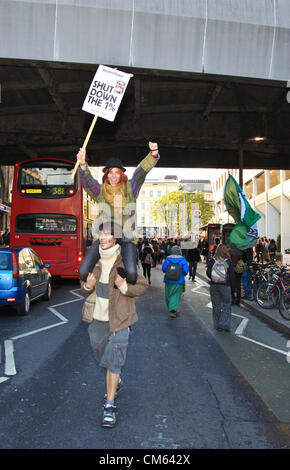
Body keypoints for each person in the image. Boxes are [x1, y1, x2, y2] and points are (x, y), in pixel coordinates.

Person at [80, 222, 148, 428]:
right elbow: (84, 285)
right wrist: (87, 286)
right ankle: (115, 381)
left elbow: (142, 287)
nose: (103, 238)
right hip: (97, 319)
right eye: (101, 234)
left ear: (116, 238)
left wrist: (124, 286)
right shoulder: (94, 259)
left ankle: (109, 406)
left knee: (114, 362)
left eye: (108, 234)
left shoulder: (125, 261)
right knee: (101, 356)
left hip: (120, 319)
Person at [77, 141, 160, 284]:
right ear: (106, 175)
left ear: (121, 174)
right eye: (110, 172)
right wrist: (83, 164)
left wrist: (153, 154)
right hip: (105, 237)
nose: (114, 176)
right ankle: (105, 282)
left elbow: (140, 173)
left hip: (126, 237)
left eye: (117, 172)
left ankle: (119, 278)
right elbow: (88, 182)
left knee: (132, 276)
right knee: (83, 272)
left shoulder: (130, 189)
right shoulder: (101, 191)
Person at [206, 244, 235, 332]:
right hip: (225, 286)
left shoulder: (212, 261)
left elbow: (208, 273)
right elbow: (232, 276)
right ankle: (224, 324)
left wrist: (214, 278)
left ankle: (217, 325)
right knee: (227, 305)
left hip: (214, 286)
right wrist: (233, 289)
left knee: (216, 306)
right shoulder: (228, 262)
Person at [162, 245, 189, 318]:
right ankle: (173, 310)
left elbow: (164, 269)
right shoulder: (182, 260)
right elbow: (185, 271)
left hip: (168, 280)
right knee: (176, 295)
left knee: (168, 295)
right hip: (178, 281)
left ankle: (170, 307)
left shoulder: (167, 259)